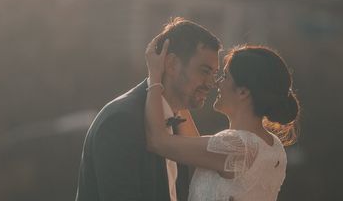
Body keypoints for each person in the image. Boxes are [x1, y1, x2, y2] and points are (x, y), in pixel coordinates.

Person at [75, 18, 221, 201]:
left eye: (214, 74)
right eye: (204, 71)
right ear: (172, 64)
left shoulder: (180, 127)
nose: (211, 84)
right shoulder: (121, 120)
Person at [144, 36, 300, 201]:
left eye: (225, 76)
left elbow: (158, 142)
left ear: (243, 92)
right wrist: (181, 92)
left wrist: (155, 76)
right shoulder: (273, 146)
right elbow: (196, 147)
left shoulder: (237, 146)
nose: (216, 83)